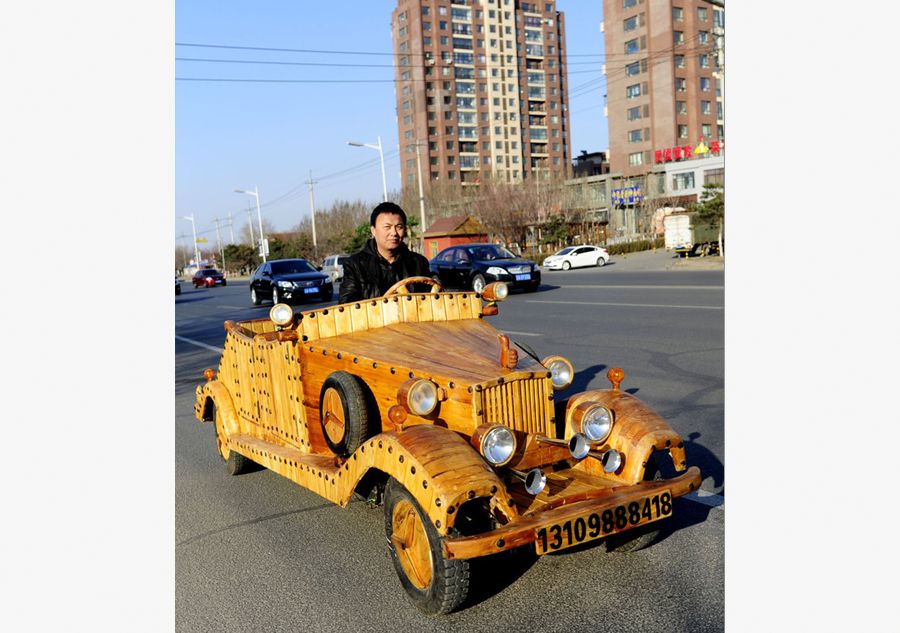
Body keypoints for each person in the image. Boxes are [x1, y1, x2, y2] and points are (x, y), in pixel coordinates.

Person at [338, 202, 431, 303]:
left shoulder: (418, 263)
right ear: (373, 230)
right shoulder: (355, 265)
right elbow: (347, 307)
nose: (394, 233)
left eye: (399, 227)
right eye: (387, 227)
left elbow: (431, 300)